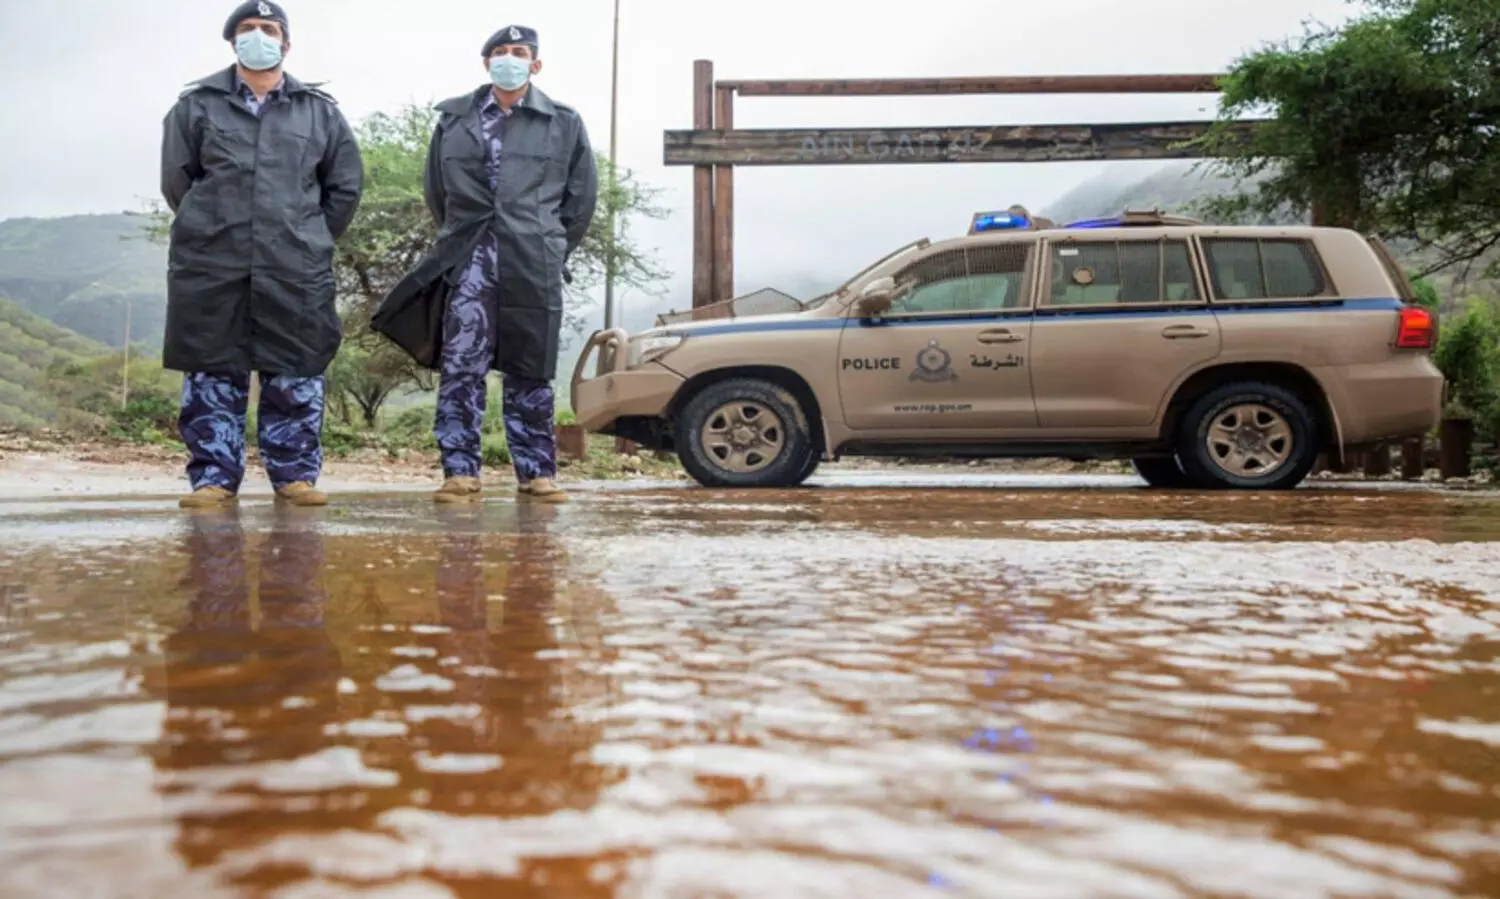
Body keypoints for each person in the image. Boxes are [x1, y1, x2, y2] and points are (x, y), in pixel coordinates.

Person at [372, 25, 597, 505]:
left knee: (531, 369)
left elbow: (579, 201)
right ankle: (459, 472)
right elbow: (437, 191)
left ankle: (537, 472)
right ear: (486, 62)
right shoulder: (454, 119)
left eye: (519, 53)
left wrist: (551, 245)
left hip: (533, 261)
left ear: (536, 65)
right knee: (461, 366)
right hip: (469, 261)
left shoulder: (563, 122)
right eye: (500, 52)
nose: (509, 59)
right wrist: (462, 237)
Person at [161, 0, 364, 510]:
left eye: (268, 29)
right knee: (212, 367)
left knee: (295, 366)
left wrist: (307, 236)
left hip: (294, 262)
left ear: (286, 43)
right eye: (247, 29)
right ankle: (212, 478)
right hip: (213, 260)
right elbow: (178, 183)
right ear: (232, 43)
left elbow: (343, 189)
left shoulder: (320, 112)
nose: (258, 36)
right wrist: (216, 228)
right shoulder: (195, 106)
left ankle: (294, 476)